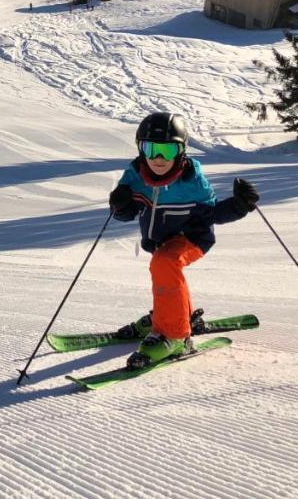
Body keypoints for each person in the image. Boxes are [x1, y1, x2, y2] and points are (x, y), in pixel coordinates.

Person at [108, 111, 260, 368]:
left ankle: (175, 335)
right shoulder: (134, 176)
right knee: (164, 266)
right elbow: (127, 214)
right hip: (160, 240)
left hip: (193, 237)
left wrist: (239, 205)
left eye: (167, 151)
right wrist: (120, 206)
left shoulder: (192, 182)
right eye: (150, 148)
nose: (158, 158)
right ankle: (172, 316)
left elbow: (213, 214)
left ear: (181, 151)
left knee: (165, 263)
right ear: (140, 148)